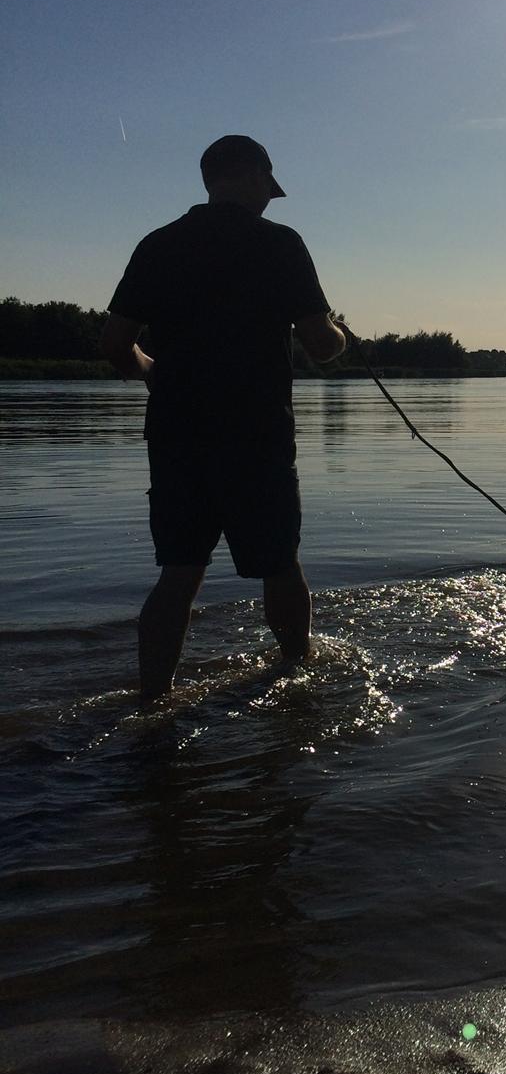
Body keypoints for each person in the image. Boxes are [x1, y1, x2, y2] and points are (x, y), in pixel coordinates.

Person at [100, 135, 346, 701]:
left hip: (176, 433)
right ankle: (295, 679)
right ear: (256, 176)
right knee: (279, 564)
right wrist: (338, 335)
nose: (268, 198)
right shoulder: (280, 244)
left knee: (179, 572)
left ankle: (153, 703)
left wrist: (151, 371)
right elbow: (320, 343)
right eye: (268, 187)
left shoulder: (159, 245)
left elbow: (116, 343)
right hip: (256, 434)